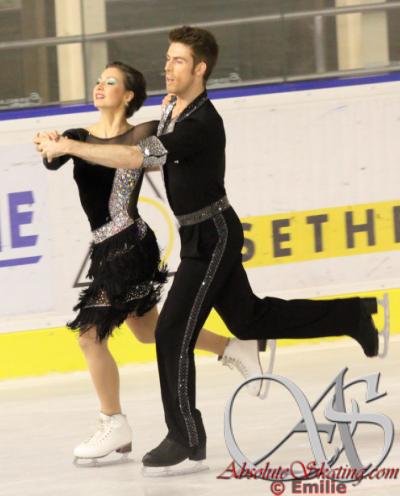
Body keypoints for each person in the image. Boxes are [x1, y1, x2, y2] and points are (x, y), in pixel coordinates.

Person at [34, 28, 386, 476]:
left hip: (213, 236)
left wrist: (69, 145)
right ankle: (353, 314)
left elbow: (135, 157)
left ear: (200, 69)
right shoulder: (174, 109)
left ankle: (185, 436)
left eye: (179, 61)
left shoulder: (201, 123)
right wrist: (62, 146)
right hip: (198, 235)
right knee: (250, 319)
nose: (168, 67)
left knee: (169, 332)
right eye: (168, 59)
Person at [34, 60, 264, 467]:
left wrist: (174, 103)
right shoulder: (78, 136)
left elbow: (175, 141)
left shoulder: (143, 133)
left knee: (90, 336)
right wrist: (49, 141)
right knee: (150, 332)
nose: (99, 86)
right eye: (98, 80)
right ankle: (231, 346)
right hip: (106, 247)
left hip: (128, 246)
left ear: (128, 95)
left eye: (110, 82)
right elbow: (51, 159)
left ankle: (114, 422)